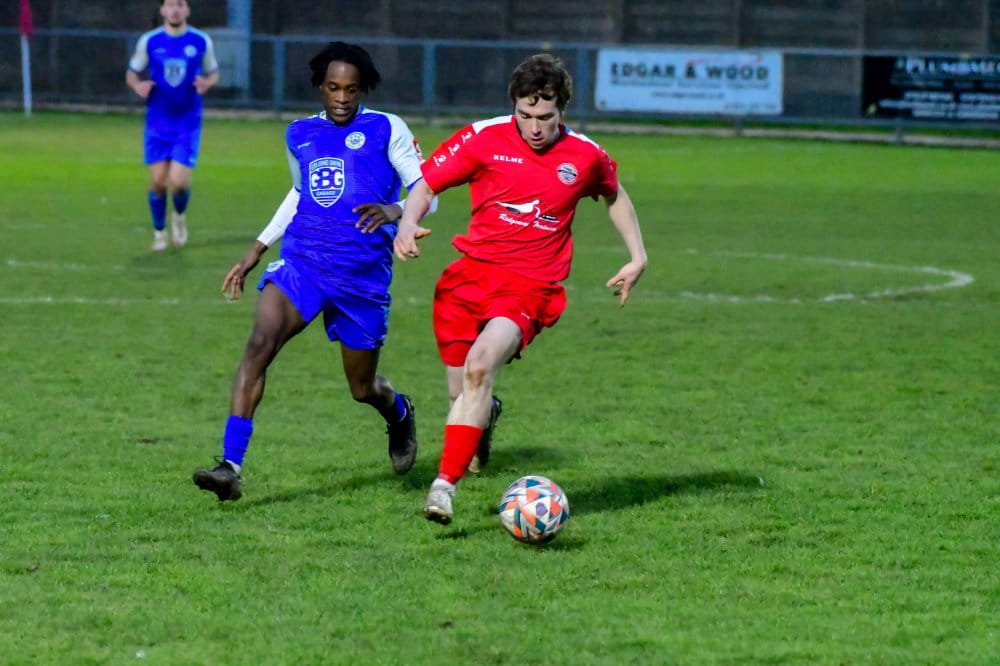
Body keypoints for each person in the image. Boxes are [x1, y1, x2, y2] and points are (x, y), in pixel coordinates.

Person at [393, 54, 648, 525]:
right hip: (467, 281)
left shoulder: (585, 155)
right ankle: (484, 417)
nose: (533, 127)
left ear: (562, 111)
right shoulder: (484, 137)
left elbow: (614, 194)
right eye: (525, 115)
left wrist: (638, 255)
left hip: (530, 287)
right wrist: (407, 224)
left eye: (545, 117)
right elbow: (426, 185)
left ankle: (442, 489)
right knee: (460, 393)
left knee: (479, 368)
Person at [192, 41, 436, 502]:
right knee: (259, 345)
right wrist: (258, 247)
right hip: (304, 261)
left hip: (362, 275)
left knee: (361, 387)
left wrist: (395, 209)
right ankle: (230, 466)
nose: (342, 98)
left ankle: (399, 413)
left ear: (362, 89)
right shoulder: (300, 133)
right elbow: (300, 193)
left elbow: (429, 191)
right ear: (320, 87)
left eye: (351, 89)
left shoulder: (387, 128)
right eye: (333, 88)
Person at [126, 0, 219, 251]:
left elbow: (213, 72)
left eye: (180, 4)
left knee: (178, 183)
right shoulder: (149, 41)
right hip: (157, 121)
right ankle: (159, 233)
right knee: (158, 182)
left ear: (187, 9)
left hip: (187, 122)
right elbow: (132, 72)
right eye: (170, 5)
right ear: (163, 10)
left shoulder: (201, 41)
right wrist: (137, 85)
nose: (175, 9)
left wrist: (207, 83)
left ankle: (178, 216)